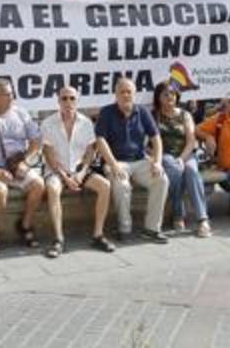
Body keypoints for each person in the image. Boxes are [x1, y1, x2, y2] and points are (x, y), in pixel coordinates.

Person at [40, 86, 119, 257]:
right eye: (64, 98)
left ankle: (98, 235)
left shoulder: (86, 122)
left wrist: (81, 173)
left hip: (79, 170)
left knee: (105, 185)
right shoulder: (47, 123)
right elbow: (49, 156)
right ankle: (58, 239)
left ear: (77, 100)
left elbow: (90, 152)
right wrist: (65, 178)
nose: (68, 102)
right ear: (58, 101)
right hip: (57, 171)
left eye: (72, 98)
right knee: (53, 189)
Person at [0, 78, 45, 254]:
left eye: (12, 94)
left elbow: (36, 141)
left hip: (17, 165)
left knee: (38, 185)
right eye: (7, 94)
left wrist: (26, 163)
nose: (12, 97)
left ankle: (25, 225)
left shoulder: (21, 114)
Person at [95, 78, 170, 243]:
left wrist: (157, 162)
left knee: (161, 179)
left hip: (140, 160)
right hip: (116, 161)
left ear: (134, 94)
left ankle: (152, 228)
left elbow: (156, 138)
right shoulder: (107, 112)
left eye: (129, 92)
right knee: (122, 184)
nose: (126, 95)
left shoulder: (142, 111)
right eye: (122, 91)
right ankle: (125, 228)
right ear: (115, 94)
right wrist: (113, 165)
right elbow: (100, 140)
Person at [151, 80, 211, 237]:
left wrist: (182, 159)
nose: (169, 96)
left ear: (177, 96)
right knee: (172, 167)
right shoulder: (154, 116)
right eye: (165, 94)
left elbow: (191, 141)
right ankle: (178, 212)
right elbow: (149, 141)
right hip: (165, 155)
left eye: (172, 93)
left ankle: (202, 219)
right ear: (158, 98)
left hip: (186, 153)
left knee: (191, 170)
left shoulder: (185, 115)